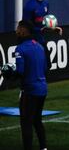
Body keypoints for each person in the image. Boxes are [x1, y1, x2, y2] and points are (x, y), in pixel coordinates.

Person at [12, 20, 48, 150]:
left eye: (18, 28)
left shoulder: (20, 48)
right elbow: (45, 68)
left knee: (26, 123)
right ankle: (43, 147)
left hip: (30, 91)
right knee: (37, 120)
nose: (16, 31)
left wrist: (9, 74)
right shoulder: (39, 46)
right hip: (42, 89)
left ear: (23, 30)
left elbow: (20, 72)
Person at [23, 0, 62, 70]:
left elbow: (44, 23)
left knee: (48, 65)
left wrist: (53, 28)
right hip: (31, 41)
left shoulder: (46, 4)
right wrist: (39, 30)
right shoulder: (29, 6)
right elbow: (25, 26)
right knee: (34, 67)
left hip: (41, 40)